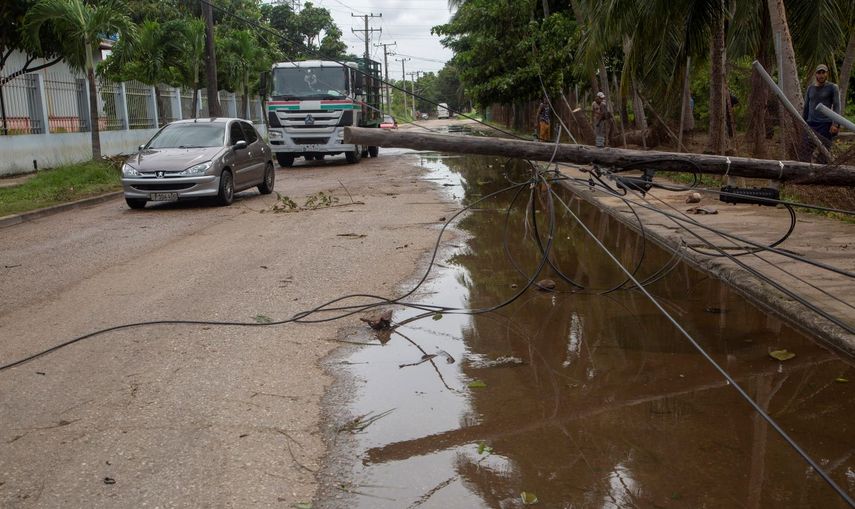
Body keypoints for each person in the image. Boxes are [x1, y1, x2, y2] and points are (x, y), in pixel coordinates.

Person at [800, 64, 841, 163]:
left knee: (823, 154)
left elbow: (837, 106)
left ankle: (821, 176)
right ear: (816, 74)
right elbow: (806, 107)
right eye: (819, 73)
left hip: (825, 125)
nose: (821, 75)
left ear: (827, 74)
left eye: (823, 72)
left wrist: (835, 124)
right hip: (811, 125)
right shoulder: (810, 88)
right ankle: (805, 173)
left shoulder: (832, 87)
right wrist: (802, 123)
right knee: (805, 151)